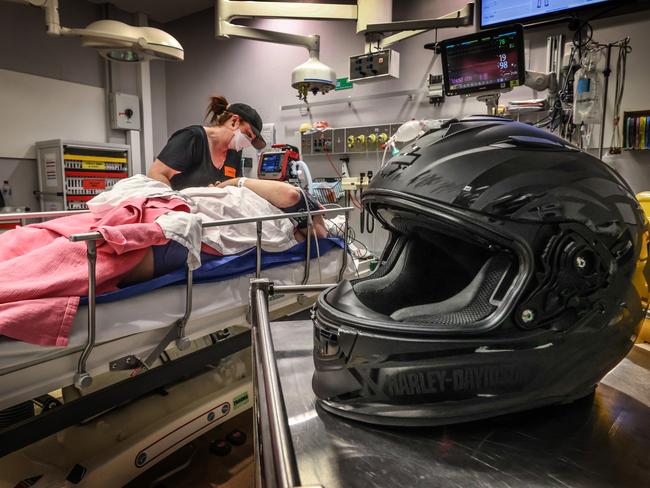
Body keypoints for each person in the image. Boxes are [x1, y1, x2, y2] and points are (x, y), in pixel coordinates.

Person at [148, 95, 266, 190]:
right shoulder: (192, 138)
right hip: (183, 214)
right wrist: (178, 204)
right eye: (249, 135)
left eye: (252, 140)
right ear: (234, 121)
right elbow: (156, 174)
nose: (248, 142)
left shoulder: (234, 153)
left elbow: (234, 188)